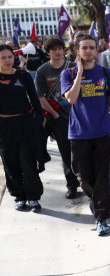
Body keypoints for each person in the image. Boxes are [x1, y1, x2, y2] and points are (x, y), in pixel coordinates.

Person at [60, 35, 110, 236]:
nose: (88, 51)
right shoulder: (68, 73)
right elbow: (71, 98)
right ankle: (95, 197)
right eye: (84, 48)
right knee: (83, 176)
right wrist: (79, 73)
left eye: (91, 48)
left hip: (103, 132)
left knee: (102, 176)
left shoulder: (106, 73)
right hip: (79, 134)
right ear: (77, 51)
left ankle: (102, 217)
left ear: (97, 50)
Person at [0, 44, 46, 213]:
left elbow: (34, 99)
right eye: (3, 57)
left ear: (14, 58)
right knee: (10, 164)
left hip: (25, 125)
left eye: (9, 57)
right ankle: (19, 197)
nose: (7, 60)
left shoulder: (23, 75)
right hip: (3, 128)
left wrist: (40, 117)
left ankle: (34, 197)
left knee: (27, 162)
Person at [35, 38, 80, 199]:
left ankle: (74, 184)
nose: (58, 51)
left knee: (69, 151)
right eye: (53, 49)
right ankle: (35, 182)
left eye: (60, 48)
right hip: (52, 115)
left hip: (73, 116)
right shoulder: (42, 71)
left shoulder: (73, 67)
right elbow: (40, 97)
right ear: (48, 52)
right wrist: (54, 115)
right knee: (47, 150)